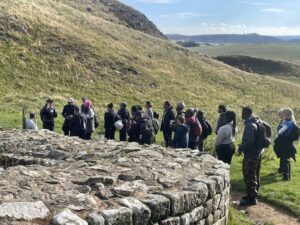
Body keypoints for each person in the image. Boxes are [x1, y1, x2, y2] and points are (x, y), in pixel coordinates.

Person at [238, 107, 262, 206]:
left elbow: (249, 141)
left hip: (251, 154)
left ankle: (252, 199)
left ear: (247, 113)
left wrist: (240, 147)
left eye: (242, 112)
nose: (241, 114)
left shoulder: (249, 125)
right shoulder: (256, 121)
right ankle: (251, 195)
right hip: (257, 153)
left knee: (249, 175)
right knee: (254, 174)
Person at [276, 108, 297, 181]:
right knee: (286, 159)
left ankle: (286, 177)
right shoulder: (291, 121)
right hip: (287, 143)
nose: (282, 115)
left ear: (287, 115)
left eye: (284, 113)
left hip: (286, 144)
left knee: (285, 160)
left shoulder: (288, 123)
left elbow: (280, 132)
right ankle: (286, 176)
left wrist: (279, 128)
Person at [274, 109, 285, 173]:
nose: (279, 116)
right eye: (279, 114)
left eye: (280, 114)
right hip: (279, 140)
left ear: (283, 115)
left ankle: (282, 169)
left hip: (283, 141)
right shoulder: (280, 121)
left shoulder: (285, 122)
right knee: (281, 155)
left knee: (283, 155)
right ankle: (281, 168)